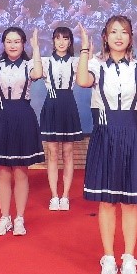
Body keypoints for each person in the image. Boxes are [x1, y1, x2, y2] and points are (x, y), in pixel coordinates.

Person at [77, 16, 137, 274]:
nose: (118, 36)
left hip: (133, 134)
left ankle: (128, 258)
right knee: (107, 201)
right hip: (105, 135)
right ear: (105, 36)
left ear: (130, 37)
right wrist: (84, 48)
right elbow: (82, 81)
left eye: (124, 32)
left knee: (130, 202)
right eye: (113, 32)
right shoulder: (96, 65)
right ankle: (108, 258)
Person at [0, 26, 45, 236]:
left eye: (17, 41)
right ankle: (5, 218)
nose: (13, 45)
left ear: (23, 44)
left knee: (20, 170)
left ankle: (19, 219)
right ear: (3, 44)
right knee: (2, 171)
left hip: (23, 116)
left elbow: (38, 73)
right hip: (2, 117)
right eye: (8, 41)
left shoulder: (29, 65)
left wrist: (36, 48)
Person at [39, 26, 84, 210]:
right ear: (53, 41)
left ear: (70, 41)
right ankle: (54, 196)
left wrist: (86, 44)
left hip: (68, 105)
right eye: (58, 38)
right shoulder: (45, 61)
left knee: (68, 152)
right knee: (52, 152)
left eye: (65, 38)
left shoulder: (76, 61)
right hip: (51, 105)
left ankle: (65, 196)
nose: (61, 42)